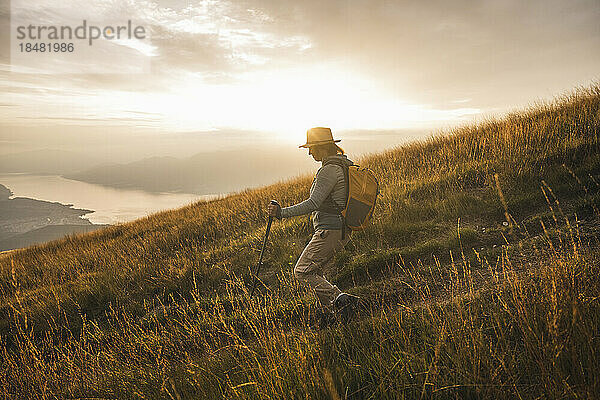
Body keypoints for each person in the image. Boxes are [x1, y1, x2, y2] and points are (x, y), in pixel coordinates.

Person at [268, 127, 359, 323]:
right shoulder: (342, 166)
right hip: (338, 229)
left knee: (301, 271)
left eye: (312, 148)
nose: (310, 152)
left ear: (323, 147)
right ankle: (330, 315)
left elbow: (313, 204)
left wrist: (282, 213)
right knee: (315, 273)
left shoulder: (329, 170)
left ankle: (341, 299)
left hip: (330, 230)